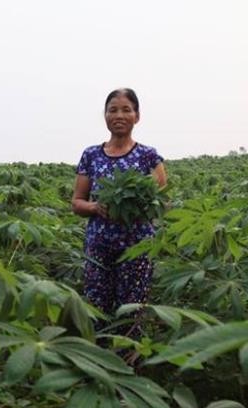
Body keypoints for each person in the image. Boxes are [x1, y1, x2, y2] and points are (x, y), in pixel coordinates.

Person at [72, 88, 167, 324]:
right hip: (99, 245)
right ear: (105, 116)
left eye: (126, 109)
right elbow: (77, 202)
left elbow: (161, 202)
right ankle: (96, 355)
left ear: (137, 115)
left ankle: (129, 359)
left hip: (137, 246)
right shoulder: (91, 155)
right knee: (96, 307)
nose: (119, 115)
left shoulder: (148, 156)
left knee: (132, 309)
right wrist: (95, 207)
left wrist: (139, 208)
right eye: (113, 110)